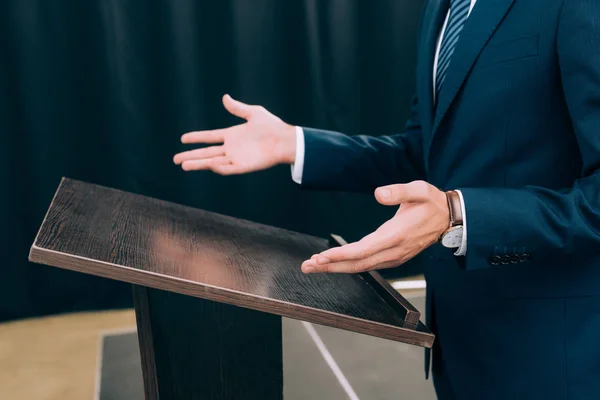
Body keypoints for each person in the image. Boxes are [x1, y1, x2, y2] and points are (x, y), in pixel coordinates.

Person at [174, 0, 600, 398]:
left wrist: (458, 215)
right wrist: (296, 144)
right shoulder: (442, 8)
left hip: (549, 356)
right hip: (457, 343)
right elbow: (423, 154)